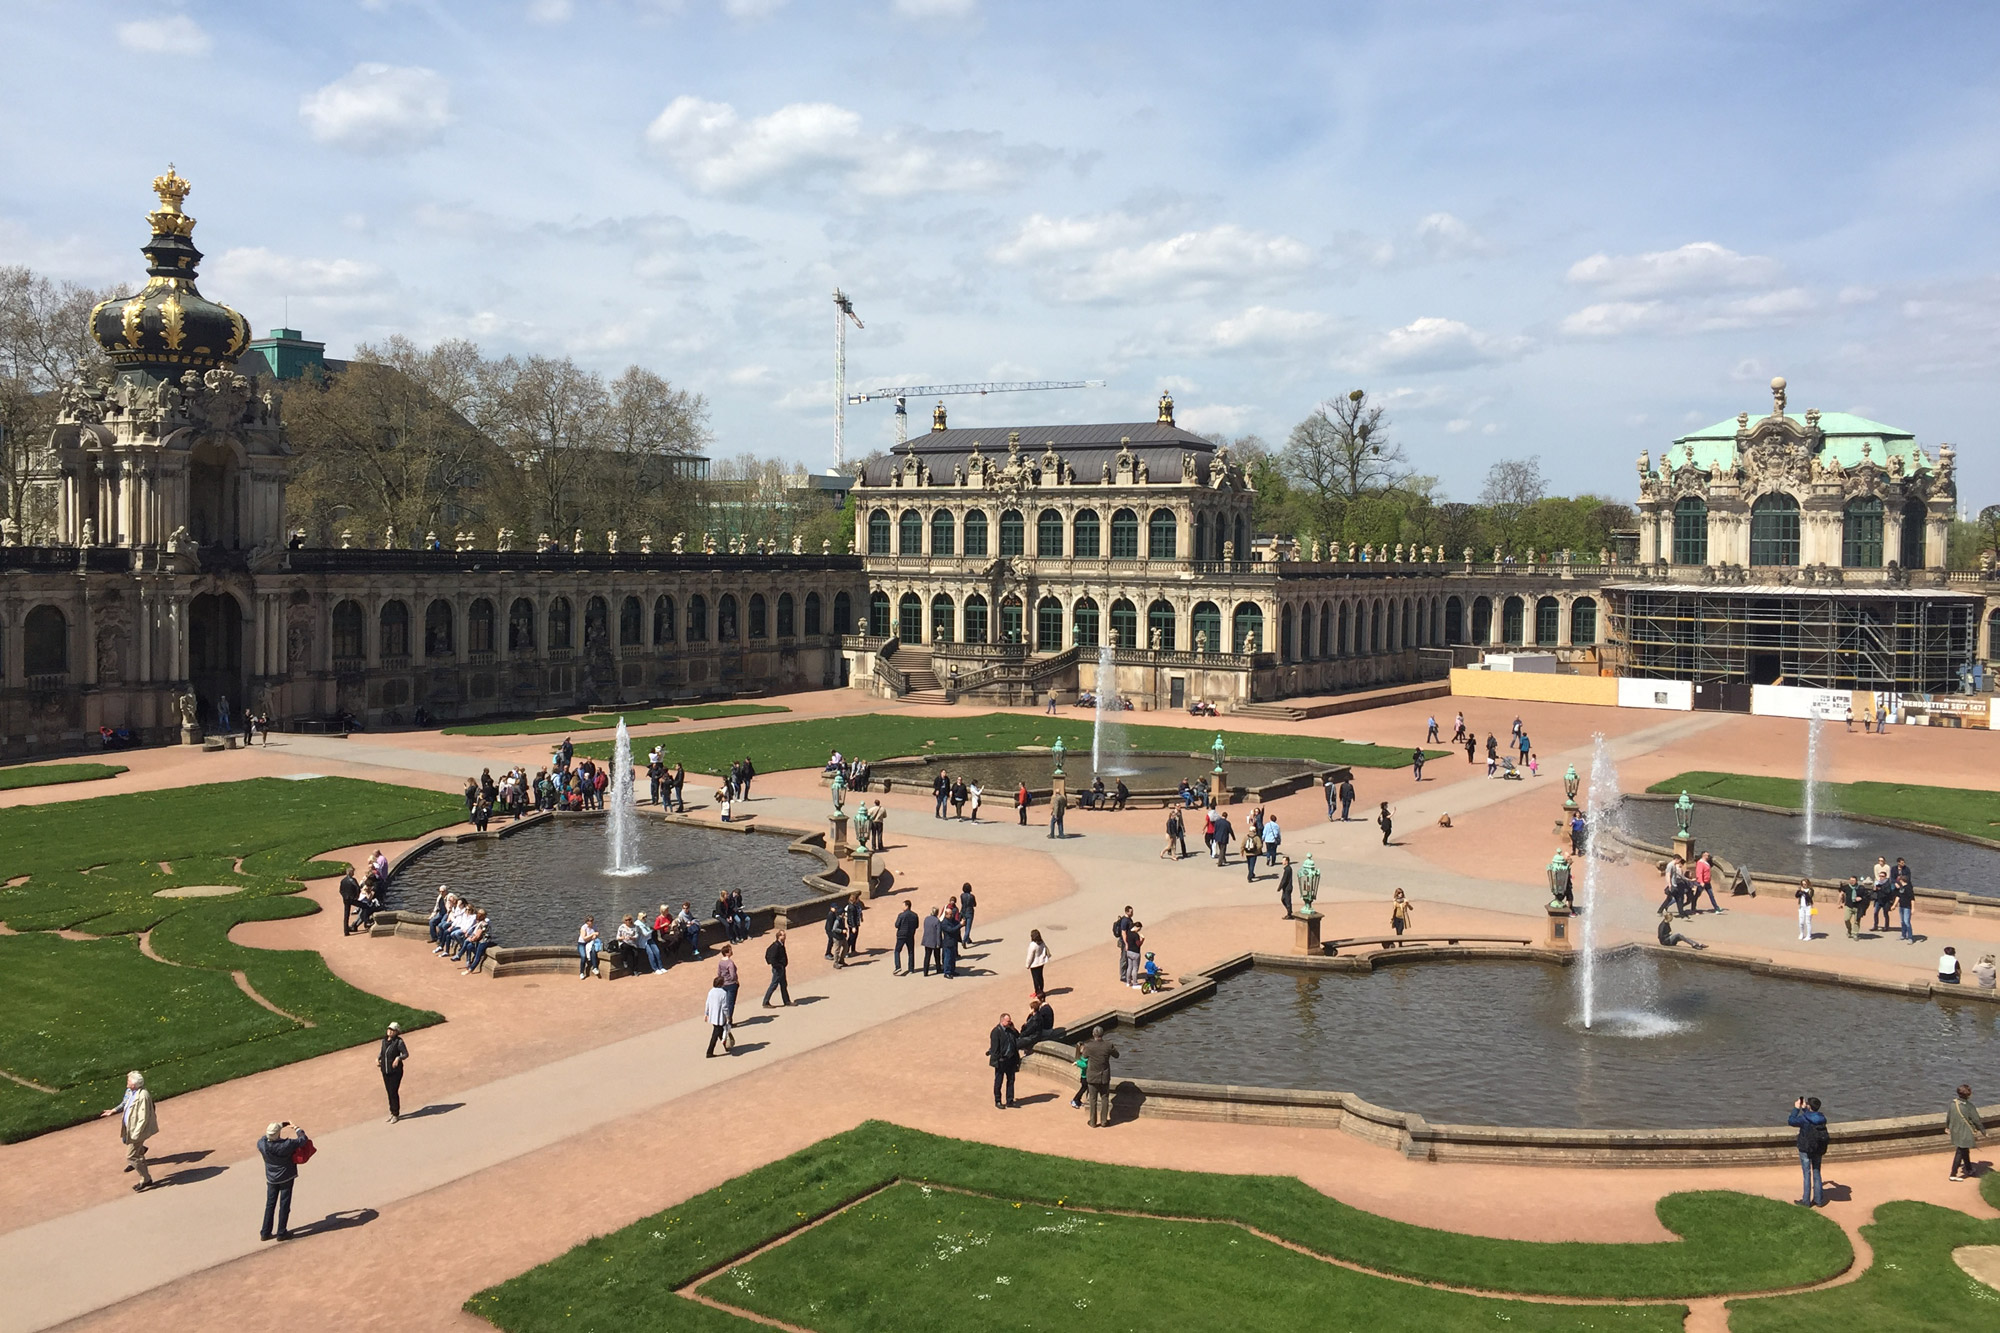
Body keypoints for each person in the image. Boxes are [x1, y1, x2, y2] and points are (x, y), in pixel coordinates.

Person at [101, 1070, 158, 1191]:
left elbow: (143, 1117)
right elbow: (124, 1103)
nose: (126, 1082)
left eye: (129, 1081)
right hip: (130, 1128)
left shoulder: (143, 1096)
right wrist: (113, 1111)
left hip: (137, 1131)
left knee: (131, 1156)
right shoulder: (130, 1091)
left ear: (134, 1084)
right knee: (129, 1145)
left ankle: (146, 1179)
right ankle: (141, 1152)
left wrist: (136, 1134)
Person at [257, 1121, 311, 1241]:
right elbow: (303, 1139)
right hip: (286, 1176)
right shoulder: (286, 1144)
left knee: (270, 1205)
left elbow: (263, 1138)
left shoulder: (262, 1144)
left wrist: (280, 1126)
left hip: (271, 1178)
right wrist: (296, 1128)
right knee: (284, 1204)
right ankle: (281, 1232)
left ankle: (265, 1232)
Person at [1787, 1096, 1828, 1206]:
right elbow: (1812, 1117)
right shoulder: (1822, 1118)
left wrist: (1796, 1108)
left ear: (1809, 1106)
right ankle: (1818, 1200)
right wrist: (1805, 1109)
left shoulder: (1804, 1119)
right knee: (1816, 1172)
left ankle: (1806, 1201)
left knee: (1806, 1174)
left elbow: (1791, 1121)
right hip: (1818, 1148)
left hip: (1805, 1148)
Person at [1080, 1026, 1121, 1128]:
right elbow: (1117, 1055)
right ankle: (1104, 1121)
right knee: (1104, 1098)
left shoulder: (1089, 1046)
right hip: (1104, 1076)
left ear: (1093, 1035)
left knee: (1093, 1099)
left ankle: (1093, 1122)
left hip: (1092, 1076)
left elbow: (1084, 1056)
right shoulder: (1108, 1045)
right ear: (1102, 1035)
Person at [1948, 1083, 1986, 1181]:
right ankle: (1953, 1174)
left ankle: (1969, 1169)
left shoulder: (1953, 1103)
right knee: (1960, 1151)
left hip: (1956, 1131)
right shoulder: (1969, 1106)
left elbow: (1949, 1116)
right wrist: (1983, 1131)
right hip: (1965, 1131)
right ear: (1968, 1095)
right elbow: (1976, 1120)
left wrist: (1947, 1127)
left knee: (1964, 1150)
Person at [988, 1013, 1021, 1108]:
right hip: (1001, 1060)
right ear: (1002, 1021)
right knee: (999, 1081)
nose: (1010, 1022)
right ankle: (998, 1100)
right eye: (1008, 1021)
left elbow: (1018, 1036)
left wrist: (1013, 1028)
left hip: (1011, 1059)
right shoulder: (996, 1032)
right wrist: (998, 1060)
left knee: (1011, 1080)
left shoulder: (1010, 1030)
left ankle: (1009, 1100)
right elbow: (995, 1049)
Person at [378, 1022, 409, 1121]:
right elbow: (382, 1052)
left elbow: (405, 1054)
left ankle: (396, 1113)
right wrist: (377, 1058)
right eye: (389, 1029)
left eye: (392, 1030)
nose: (389, 1031)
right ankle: (392, 1112)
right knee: (389, 1092)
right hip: (385, 1070)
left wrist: (398, 1058)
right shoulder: (384, 1041)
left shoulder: (399, 1042)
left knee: (393, 1091)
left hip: (396, 1071)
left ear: (396, 1032)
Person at [704, 977, 734, 1057]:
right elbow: (725, 1007)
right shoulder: (723, 993)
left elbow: (707, 1003)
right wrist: (728, 1016)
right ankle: (709, 1052)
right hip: (720, 1016)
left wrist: (706, 1013)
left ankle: (726, 1046)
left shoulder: (711, 991)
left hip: (713, 1016)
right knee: (716, 1034)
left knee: (720, 1032)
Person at [763, 930, 791, 1007]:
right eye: (783, 935)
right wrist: (779, 966)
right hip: (778, 969)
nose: (785, 937)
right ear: (779, 936)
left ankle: (787, 1001)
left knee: (783, 984)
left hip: (781, 968)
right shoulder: (776, 946)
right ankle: (765, 1001)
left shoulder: (781, 944)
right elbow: (772, 958)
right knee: (774, 985)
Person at [893, 899, 919, 974]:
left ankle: (898, 966)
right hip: (910, 935)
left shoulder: (901, 915)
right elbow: (916, 926)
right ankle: (911, 968)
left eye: (903, 905)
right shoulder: (915, 915)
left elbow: (897, 925)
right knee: (911, 951)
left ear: (907, 906)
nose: (902, 907)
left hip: (901, 935)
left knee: (897, 951)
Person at [717, 944, 741, 1024]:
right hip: (731, 984)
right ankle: (728, 1020)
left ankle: (723, 1019)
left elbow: (719, 973)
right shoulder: (730, 963)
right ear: (727, 953)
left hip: (724, 984)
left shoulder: (720, 962)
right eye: (730, 950)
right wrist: (736, 980)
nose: (732, 951)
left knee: (725, 1003)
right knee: (730, 1003)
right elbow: (733, 974)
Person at [1894, 860, 1917, 944]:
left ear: (1902, 880)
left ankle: (1910, 937)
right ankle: (1903, 935)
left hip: (1907, 907)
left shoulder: (1908, 888)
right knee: (1902, 921)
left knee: (1907, 922)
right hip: (1901, 906)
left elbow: (1912, 899)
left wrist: (1913, 908)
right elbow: (1898, 896)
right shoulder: (1901, 888)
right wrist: (1894, 905)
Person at [1870, 856, 1894, 932]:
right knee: (1875, 912)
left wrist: (1880, 889)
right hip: (1878, 900)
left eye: (1882, 876)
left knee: (1885, 914)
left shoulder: (1887, 883)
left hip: (1885, 901)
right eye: (1879, 860)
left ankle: (1886, 926)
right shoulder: (1877, 882)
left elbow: (1888, 891)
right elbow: (1874, 891)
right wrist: (1874, 890)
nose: (1881, 877)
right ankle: (1875, 925)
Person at [938, 905, 962, 978]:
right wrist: (960, 925)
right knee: (948, 958)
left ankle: (952, 970)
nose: (952, 915)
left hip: (953, 942)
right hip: (948, 943)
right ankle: (947, 972)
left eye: (952, 914)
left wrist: (961, 922)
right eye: (950, 914)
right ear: (946, 914)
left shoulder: (953, 921)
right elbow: (951, 930)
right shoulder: (944, 923)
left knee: (953, 958)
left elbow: (957, 924)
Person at [338, 868, 362, 936]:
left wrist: (344, 896)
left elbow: (340, 890)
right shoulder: (353, 880)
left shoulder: (343, 881)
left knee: (346, 915)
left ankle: (346, 931)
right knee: (365, 906)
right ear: (350, 873)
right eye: (353, 872)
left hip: (346, 899)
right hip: (352, 899)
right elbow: (357, 888)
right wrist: (356, 896)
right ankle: (365, 922)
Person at [1840, 876, 1867, 940]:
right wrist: (1840, 903)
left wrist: (1861, 898)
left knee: (1857, 921)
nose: (1852, 881)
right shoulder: (1846, 887)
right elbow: (1841, 894)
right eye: (1850, 880)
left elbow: (1867, 896)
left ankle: (1855, 934)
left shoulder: (1861, 888)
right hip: (1848, 906)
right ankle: (1849, 930)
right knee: (1846, 919)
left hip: (1858, 907)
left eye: (1853, 880)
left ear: (1856, 881)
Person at [1026, 929, 1050, 997]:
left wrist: (1027, 965)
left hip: (1034, 964)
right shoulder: (1042, 942)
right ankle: (1041, 990)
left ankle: (1037, 991)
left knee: (1035, 978)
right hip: (1041, 962)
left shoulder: (1032, 945)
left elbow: (1030, 956)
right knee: (1040, 977)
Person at [920, 905, 943, 976]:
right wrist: (939, 943)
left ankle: (925, 971)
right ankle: (938, 968)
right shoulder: (937, 921)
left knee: (927, 956)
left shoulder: (926, 919)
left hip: (927, 940)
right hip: (935, 941)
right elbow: (938, 933)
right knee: (937, 956)